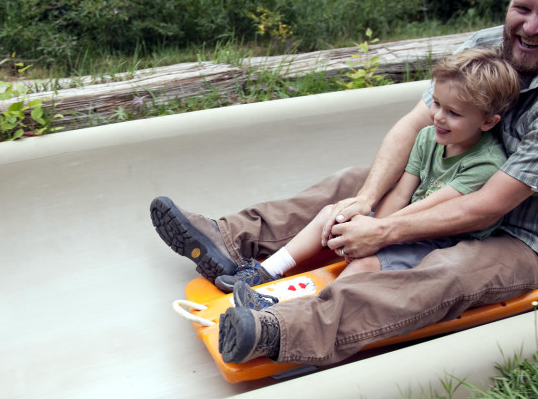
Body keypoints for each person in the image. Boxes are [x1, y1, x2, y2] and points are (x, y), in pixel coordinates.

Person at [150, 0, 538, 365]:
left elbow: (487, 207)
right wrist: (366, 201)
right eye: (522, 8)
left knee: (451, 271)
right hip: (451, 185)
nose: (530, 26)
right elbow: (410, 128)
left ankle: (283, 330)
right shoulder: (484, 49)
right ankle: (229, 240)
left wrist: (382, 230)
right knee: (353, 181)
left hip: (527, 236)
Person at [212, 47, 520, 295]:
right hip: (404, 221)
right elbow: (402, 192)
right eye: (436, 103)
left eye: (453, 113)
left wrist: (375, 238)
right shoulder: (428, 136)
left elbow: (429, 209)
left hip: (440, 238)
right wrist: (364, 224)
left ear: (488, 121)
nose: (438, 116)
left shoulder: (485, 163)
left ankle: (294, 310)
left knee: (365, 266)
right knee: (334, 212)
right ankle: (268, 271)